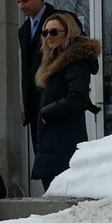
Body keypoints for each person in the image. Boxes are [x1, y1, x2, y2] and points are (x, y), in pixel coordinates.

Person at [31, 12, 101, 189]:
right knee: (54, 192)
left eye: (54, 32)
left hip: (63, 140)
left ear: (68, 32)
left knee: (60, 195)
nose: (48, 37)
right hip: (54, 138)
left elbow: (77, 97)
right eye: (45, 33)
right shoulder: (55, 60)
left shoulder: (74, 60)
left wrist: (46, 112)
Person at [15, 0, 61, 148]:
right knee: (41, 153)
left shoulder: (60, 21)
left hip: (55, 99)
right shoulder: (23, 30)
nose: (21, 6)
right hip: (34, 104)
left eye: (25, 1)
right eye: (18, 2)